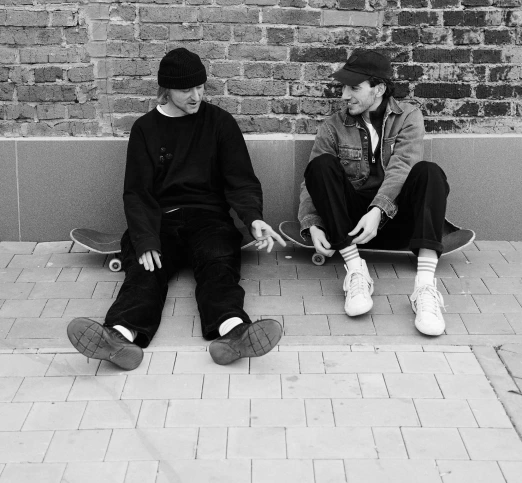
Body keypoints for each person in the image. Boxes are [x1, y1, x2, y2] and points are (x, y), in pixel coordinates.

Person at [67, 47, 285, 369]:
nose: (196, 96)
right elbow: (137, 192)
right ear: (166, 89)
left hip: (208, 219)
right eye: (186, 89)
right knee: (144, 273)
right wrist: (144, 240)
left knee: (218, 266)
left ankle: (234, 333)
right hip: (160, 222)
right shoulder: (145, 129)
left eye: (201, 87)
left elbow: (240, 180)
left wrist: (253, 218)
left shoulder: (220, 123)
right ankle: (118, 337)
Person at [298, 48, 449, 336]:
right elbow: (311, 182)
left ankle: (425, 288)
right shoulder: (333, 126)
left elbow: (403, 167)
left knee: (429, 171)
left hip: (396, 219)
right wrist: (313, 224)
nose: (344, 95)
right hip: (350, 226)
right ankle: (355, 270)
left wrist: (378, 210)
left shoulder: (408, 117)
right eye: (344, 87)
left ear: (378, 88)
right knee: (320, 166)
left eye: (354, 87)